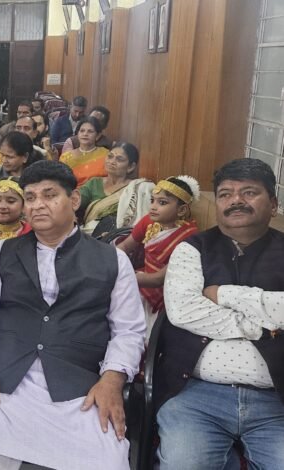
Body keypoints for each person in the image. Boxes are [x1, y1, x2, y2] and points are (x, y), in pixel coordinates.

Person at [0, 160, 145, 470]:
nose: (38, 205)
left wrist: (112, 379)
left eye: (49, 195)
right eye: (30, 198)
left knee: (107, 463)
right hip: (6, 384)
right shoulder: (1, 253)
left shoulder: (113, 259)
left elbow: (129, 330)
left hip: (81, 389)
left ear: (74, 199)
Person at [156, 158, 284, 469]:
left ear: (273, 204)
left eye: (249, 192)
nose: (236, 200)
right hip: (195, 396)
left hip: (277, 402)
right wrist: (262, 326)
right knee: (186, 464)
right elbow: (185, 310)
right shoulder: (192, 248)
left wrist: (222, 294)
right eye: (225, 194)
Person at [116, 176, 199, 335]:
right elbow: (125, 246)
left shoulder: (190, 236)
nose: (153, 207)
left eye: (162, 203)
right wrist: (109, 260)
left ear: (181, 210)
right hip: (141, 278)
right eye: (152, 200)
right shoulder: (148, 221)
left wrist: (123, 276)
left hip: (165, 292)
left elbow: (158, 279)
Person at [79, 142, 154, 235]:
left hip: (120, 237)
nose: (112, 161)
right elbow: (77, 201)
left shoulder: (137, 188)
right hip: (90, 235)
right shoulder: (94, 183)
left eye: (119, 159)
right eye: (110, 156)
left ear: (131, 167)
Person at [59, 116, 110, 187]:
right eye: (82, 131)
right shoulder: (66, 157)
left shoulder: (106, 154)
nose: (85, 134)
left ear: (98, 135)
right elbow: (61, 182)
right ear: (77, 134)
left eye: (90, 131)